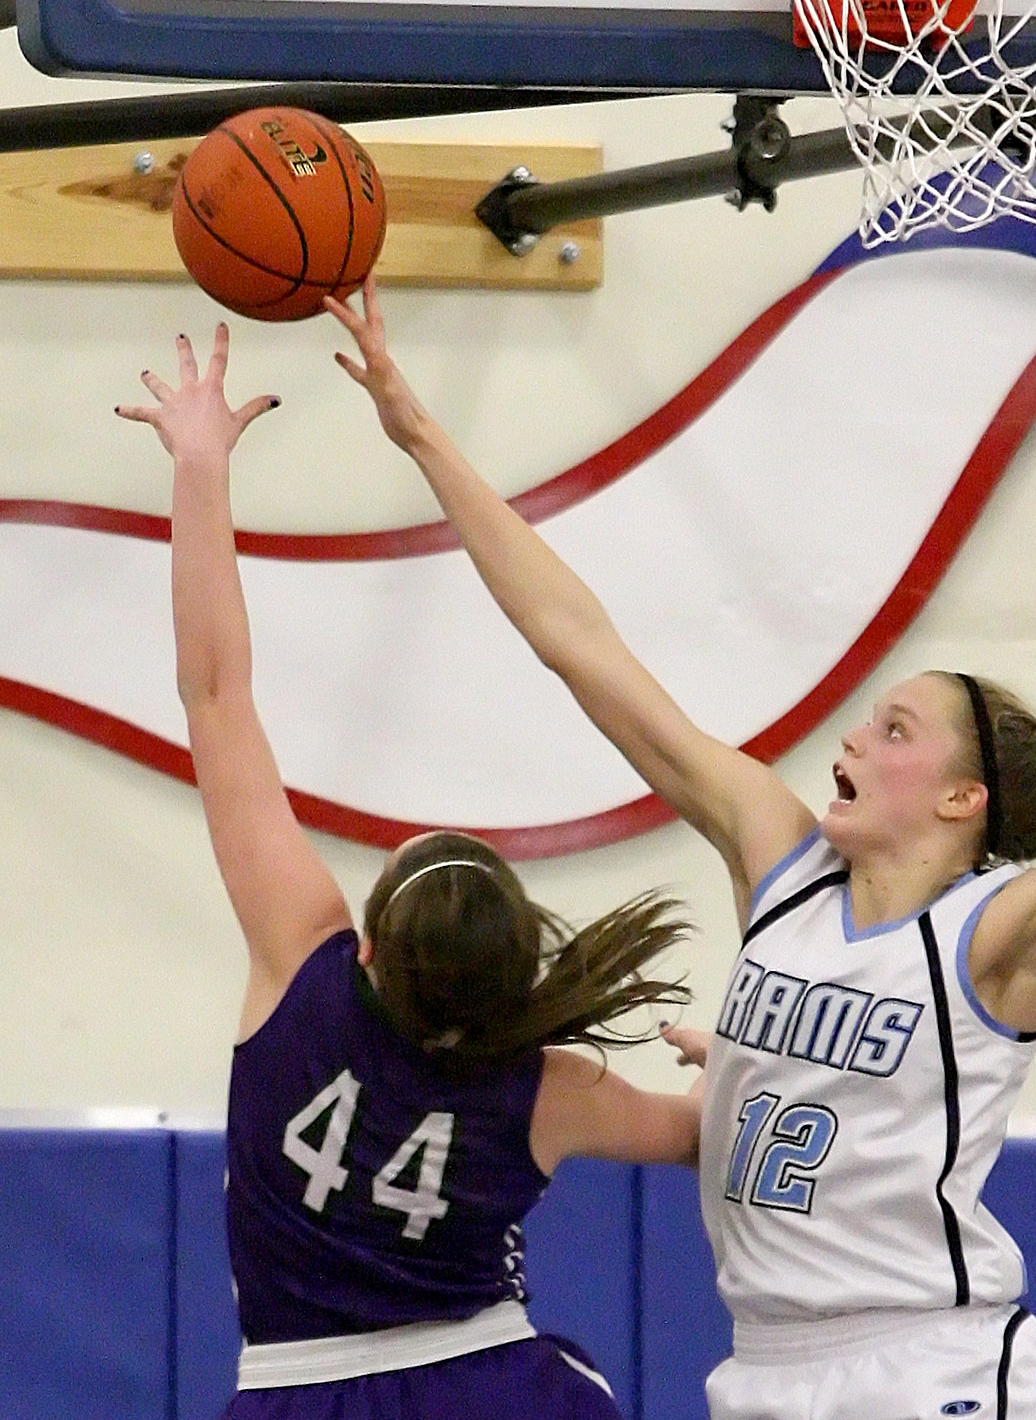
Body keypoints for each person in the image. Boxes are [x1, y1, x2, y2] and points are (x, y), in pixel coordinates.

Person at [324, 274, 1036, 1420]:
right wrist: (423, 433)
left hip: (929, 1361)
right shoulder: (780, 868)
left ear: (961, 801)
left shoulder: (994, 935)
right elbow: (580, 646)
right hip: (765, 1365)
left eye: (895, 729)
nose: (853, 736)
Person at [116, 324, 705, 1420]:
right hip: (497, 1387)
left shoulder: (303, 959)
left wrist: (200, 469)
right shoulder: (552, 1089)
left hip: (295, 1392)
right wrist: (747, 1062)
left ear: (373, 945)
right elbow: (705, 1135)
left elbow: (214, 693)